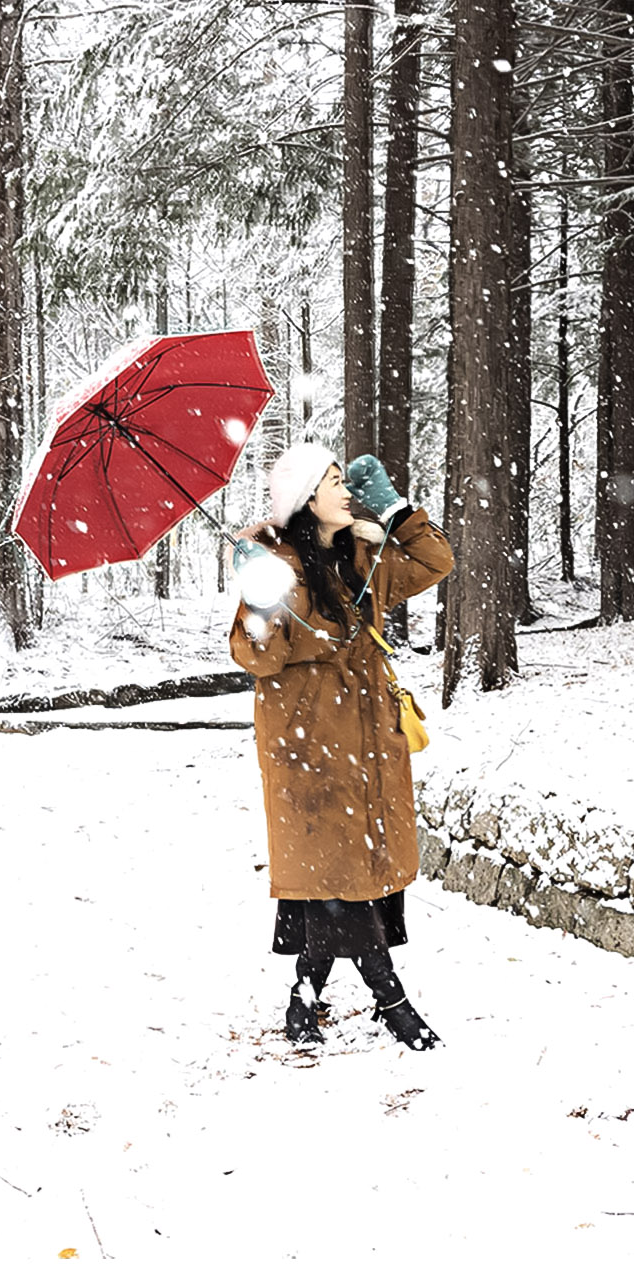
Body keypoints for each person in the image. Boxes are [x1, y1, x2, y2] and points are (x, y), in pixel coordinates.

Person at [229, 441, 453, 1050]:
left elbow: (435, 561)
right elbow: (258, 657)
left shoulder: (363, 556)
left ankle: (303, 1000)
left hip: (370, 743)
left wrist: (396, 510)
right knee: (337, 879)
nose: (347, 490)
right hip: (310, 752)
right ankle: (392, 1000)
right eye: (333, 482)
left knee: (347, 881)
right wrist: (259, 600)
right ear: (306, 501)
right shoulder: (278, 568)